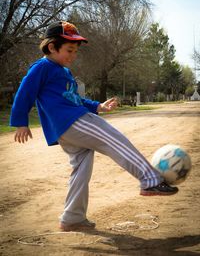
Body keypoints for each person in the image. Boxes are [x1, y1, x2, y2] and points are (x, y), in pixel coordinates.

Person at [10, 21, 178, 232]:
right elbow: (24, 92)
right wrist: (20, 122)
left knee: (82, 168)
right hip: (72, 122)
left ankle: (72, 217)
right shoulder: (42, 67)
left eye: (75, 51)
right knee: (113, 138)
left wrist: (98, 106)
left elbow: (75, 99)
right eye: (69, 49)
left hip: (68, 126)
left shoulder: (63, 72)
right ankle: (150, 179)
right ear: (52, 47)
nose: (73, 55)